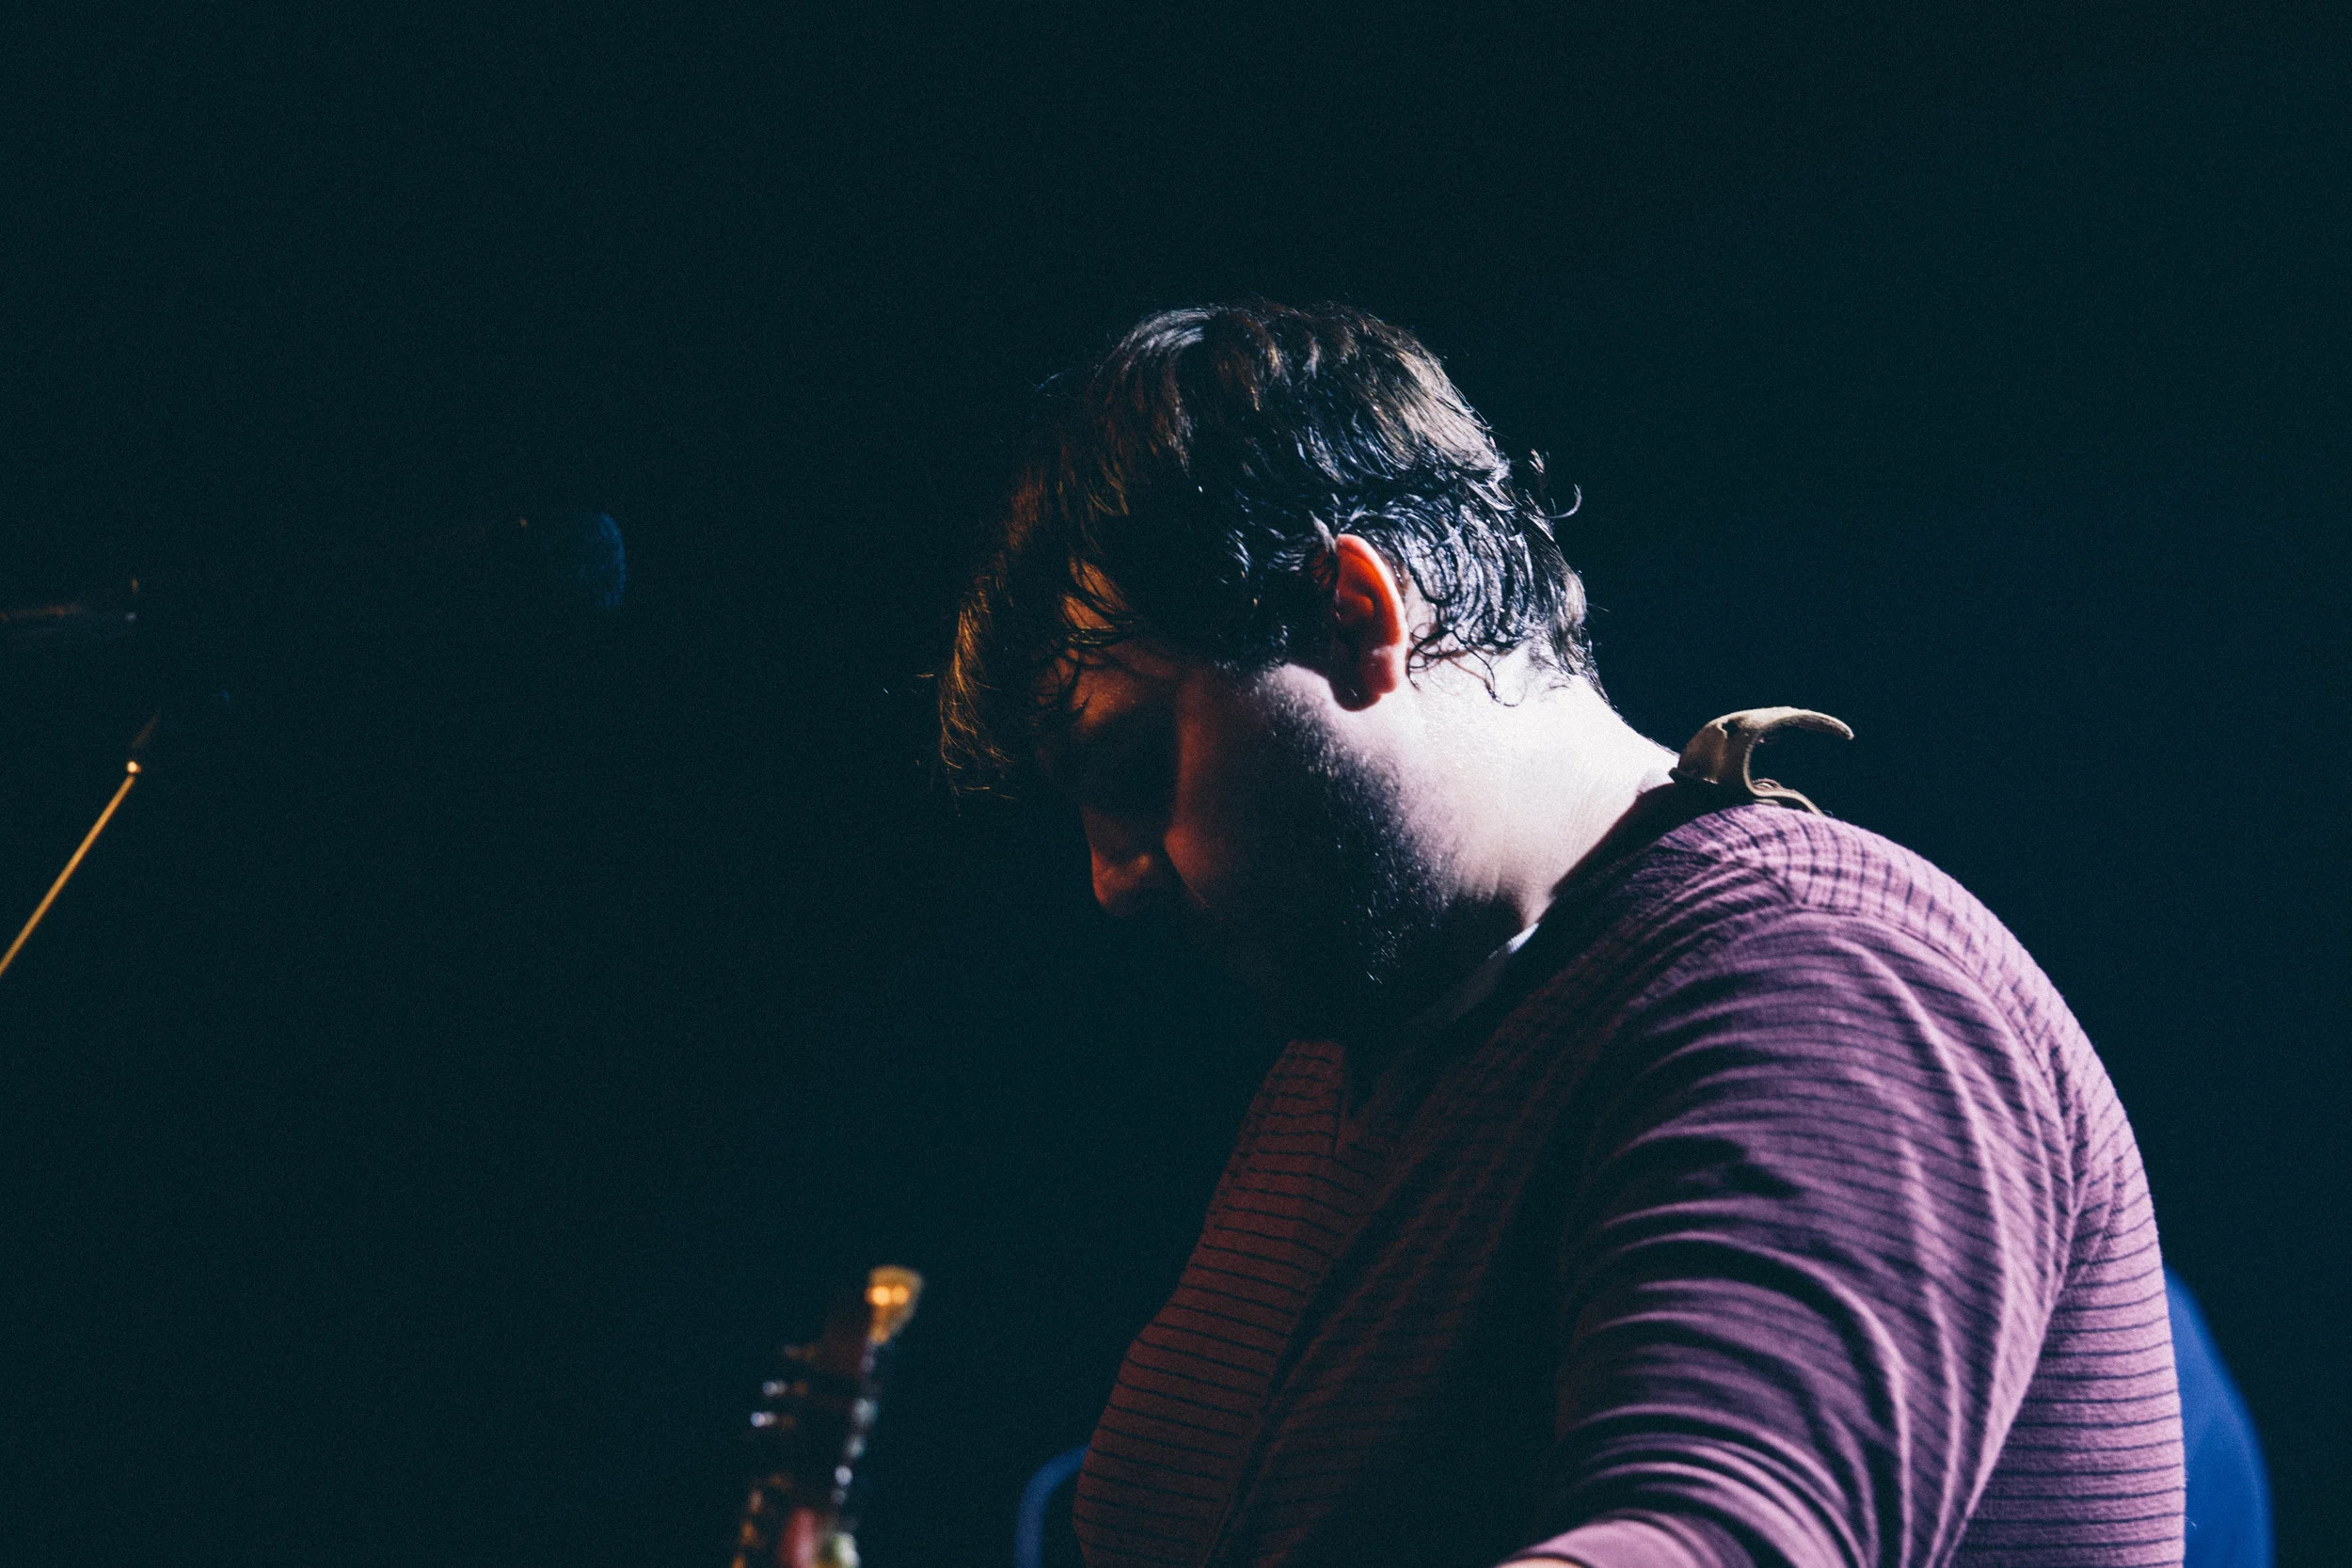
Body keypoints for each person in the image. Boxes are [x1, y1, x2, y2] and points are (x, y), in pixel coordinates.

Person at [940, 301, 2185, 1568]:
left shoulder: (1818, 981)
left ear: (1356, 619)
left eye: (1136, 768)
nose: (1111, 881)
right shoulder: (1357, 1058)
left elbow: (1709, 1541)